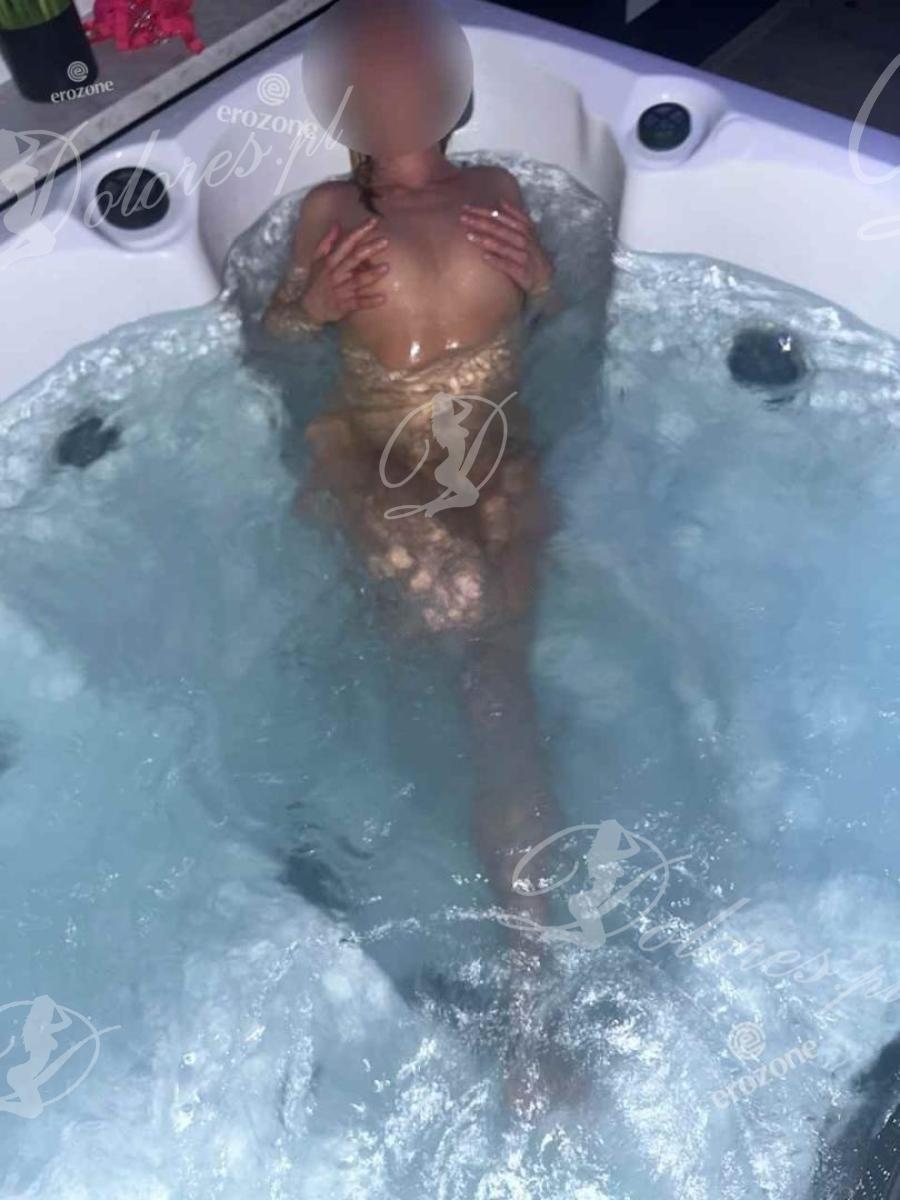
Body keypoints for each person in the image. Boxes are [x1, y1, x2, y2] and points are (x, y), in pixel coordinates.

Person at [264, 0, 568, 1114]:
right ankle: (532, 1018)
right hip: (477, 471)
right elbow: (548, 320)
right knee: (498, 699)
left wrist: (308, 306)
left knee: (442, 666)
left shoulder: (348, 211)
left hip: (420, 475)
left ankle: (512, 1014)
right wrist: (542, 280)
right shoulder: (477, 196)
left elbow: (278, 340)